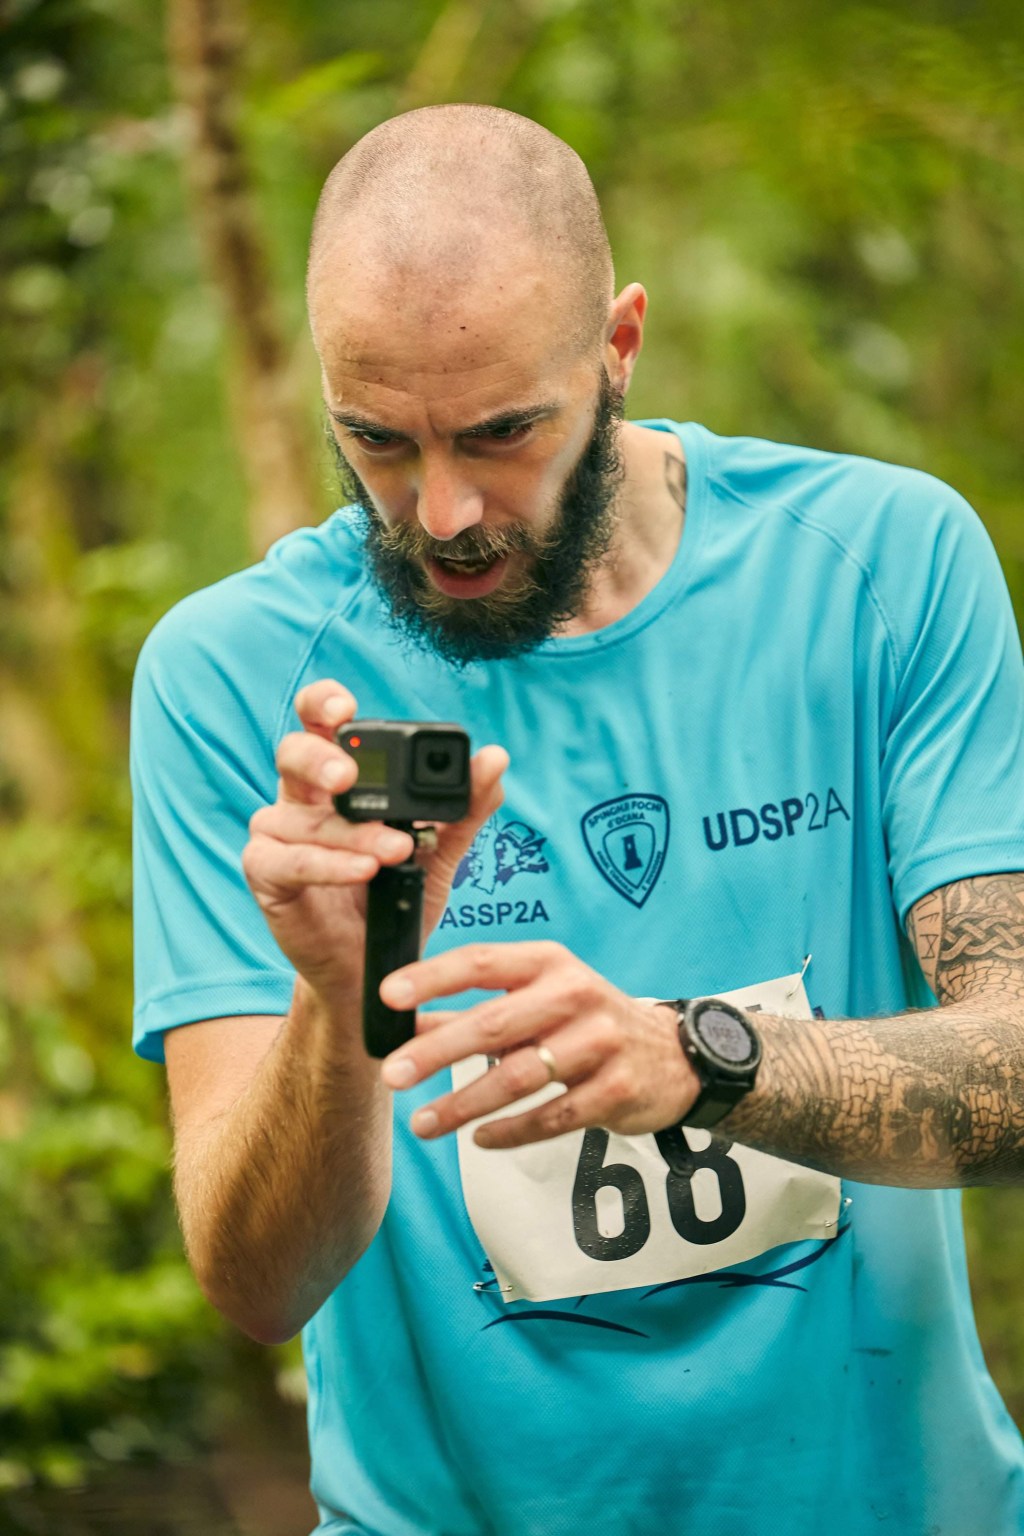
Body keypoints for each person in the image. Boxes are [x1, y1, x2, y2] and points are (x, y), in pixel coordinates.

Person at [131, 104, 1024, 1535]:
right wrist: (338, 1001)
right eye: (376, 439)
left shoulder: (880, 564)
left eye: (503, 433)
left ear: (618, 347)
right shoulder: (236, 678)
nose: (442, 513)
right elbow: (256, 1285)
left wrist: (701, 1058)